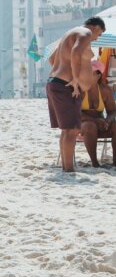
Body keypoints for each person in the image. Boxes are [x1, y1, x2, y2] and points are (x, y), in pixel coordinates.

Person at [47, 16, 106, 172]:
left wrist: (60, 72)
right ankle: (68, 169)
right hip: (66, 85)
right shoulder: (85, 33)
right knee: (71, 130)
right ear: (96, 28)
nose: (96, 38)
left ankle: (67, 168)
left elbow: (52, 57)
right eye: (99, 35)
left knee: (68, 129)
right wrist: (74, 78)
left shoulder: (70, 33)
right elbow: (76, 52)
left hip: (57, 83)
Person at [80, 59, 116, 168]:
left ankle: (115, 162)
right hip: (82, 124)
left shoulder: (105, 90)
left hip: (100, 124)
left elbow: (113, 111)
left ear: (99, 75)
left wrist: (107, 121)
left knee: (115, 125)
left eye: (92, 73)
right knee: (89, 126)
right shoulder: (79, 89)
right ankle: (94, 162)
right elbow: (75, 113)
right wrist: (96, 120)